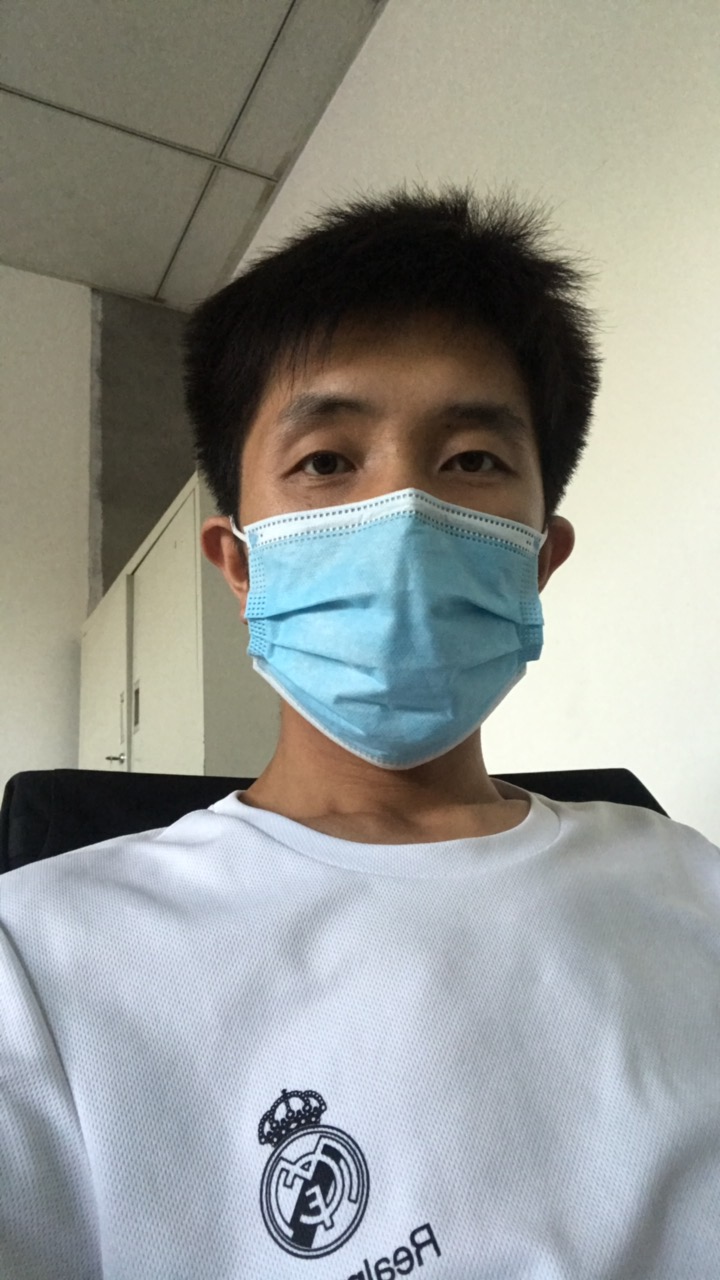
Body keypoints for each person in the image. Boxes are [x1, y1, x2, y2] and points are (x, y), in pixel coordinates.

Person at [2, 182, 719, 1279]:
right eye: (328, 461)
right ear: (240, 566)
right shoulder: (41, 966)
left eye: (471, 460)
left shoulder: (690, 882)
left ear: (538, 561)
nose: (405, 518)